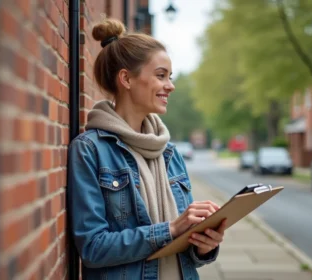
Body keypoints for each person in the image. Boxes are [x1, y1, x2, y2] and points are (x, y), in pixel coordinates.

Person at [68, 18, 226, 280]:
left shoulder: (169, 152)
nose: (170, 86)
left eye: (170, 77)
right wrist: (172, 228)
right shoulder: (90, 150)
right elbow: (93, 248)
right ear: (126, 79)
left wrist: (204, 245)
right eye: (161, 75)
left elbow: (186, 253)